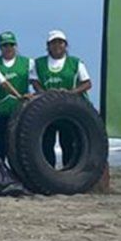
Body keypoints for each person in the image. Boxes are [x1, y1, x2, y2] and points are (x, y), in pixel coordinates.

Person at [31, 30, 93, 168]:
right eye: (53, 42)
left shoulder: (75, 63)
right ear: (48, 45)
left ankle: (69, 170)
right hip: (48, 109)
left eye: (60, 42)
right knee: (47, 142)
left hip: (69, 109)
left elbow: (87, 83)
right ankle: (49, 170)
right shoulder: (39, 63)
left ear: (66, 45)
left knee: (68, 142)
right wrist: (44, 94)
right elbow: (34, 81)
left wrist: (71, 93)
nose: (57, 45)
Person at [0, 31, 31, 165]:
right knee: (0, 147)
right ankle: (1, 177)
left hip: (20, 112)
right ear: (0, 47)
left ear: (16, 45)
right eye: (5, 45)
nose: (8, 48)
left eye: (11, 45)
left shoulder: (28, 63)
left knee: (19, 146)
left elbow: (37, 81)